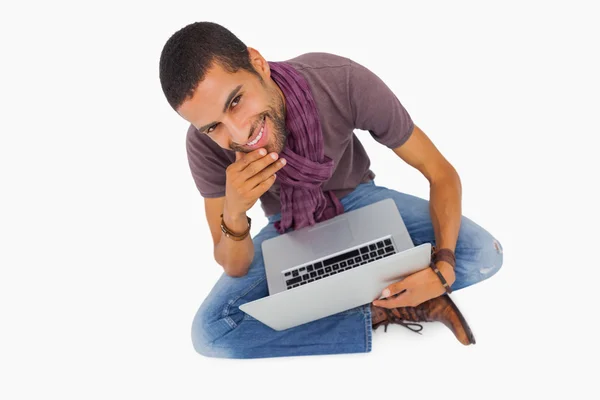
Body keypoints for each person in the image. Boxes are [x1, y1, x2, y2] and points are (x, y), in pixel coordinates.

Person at [159, 21, 503, 359]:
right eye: (213, 126)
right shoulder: (204, 147)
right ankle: (380, 309)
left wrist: (442, 272)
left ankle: (341, 295)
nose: (238, 133)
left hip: (359, 199)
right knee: (211, 332)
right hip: (287, 229)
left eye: (235, 101)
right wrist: (234, 213)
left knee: (483, 254)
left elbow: (441, 173)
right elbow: (233, 265)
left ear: (258, 64)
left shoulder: (339, 80)